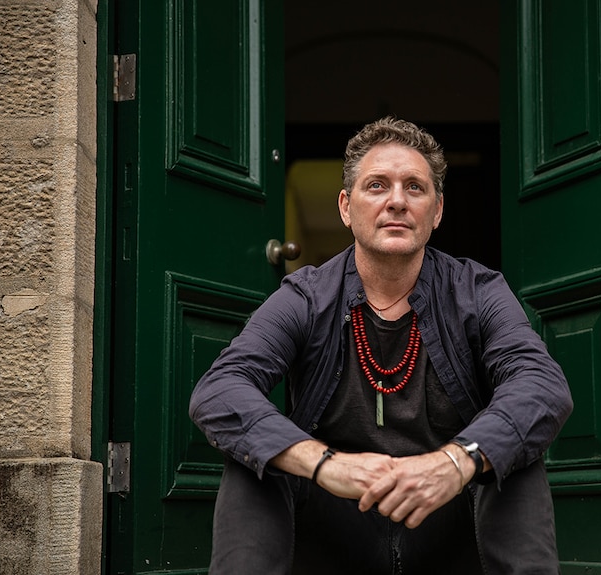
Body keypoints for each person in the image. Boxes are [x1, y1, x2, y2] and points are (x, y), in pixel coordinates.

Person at [189, 116, 573, 574]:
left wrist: (456, 461)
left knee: (509, 453)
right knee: (257, 456)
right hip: (335, 521)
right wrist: (325, 463)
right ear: (346, 208)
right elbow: (220, 389)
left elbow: (541, 384)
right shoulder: (306, 296)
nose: (396, 201)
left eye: (415, 187)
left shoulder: (479, 290)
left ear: (437, 210)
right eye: (377, 186)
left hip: (446, 516)